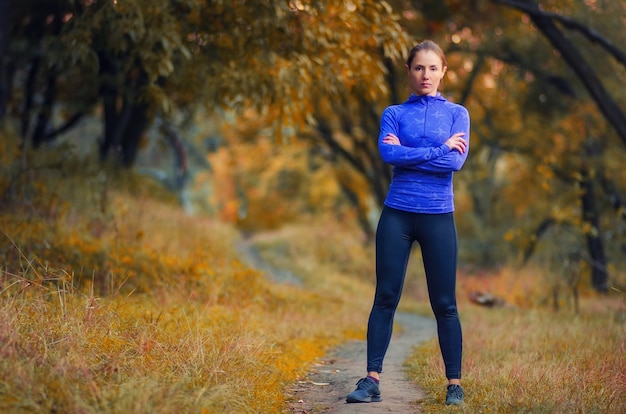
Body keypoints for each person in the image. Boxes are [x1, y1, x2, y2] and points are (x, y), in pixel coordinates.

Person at [346, 39, 469, 406]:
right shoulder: (394, 113)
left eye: (433, 68)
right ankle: (371, 380)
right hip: (397, 215)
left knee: (445, 304)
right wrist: (438, 149)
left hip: (438, 218)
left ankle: (454, 386)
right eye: (418, 68)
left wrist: (411, 155)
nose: (425, 75)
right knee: (385, 297)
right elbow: (388, 153)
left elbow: (455, 164)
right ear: (409, 72)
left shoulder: (457, 114)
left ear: (443, 71)